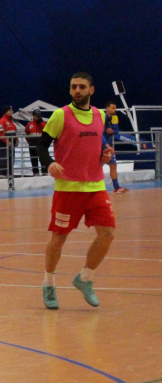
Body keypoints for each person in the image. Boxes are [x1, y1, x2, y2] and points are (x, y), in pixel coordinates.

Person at [36, 72, 115, 310]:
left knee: (107, 234)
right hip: (68, 188)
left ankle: (84, 278)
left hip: (95, 186)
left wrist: (103, 156)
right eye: (73, 87)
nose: (77, 90)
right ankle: (48, 283)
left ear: (91, 90)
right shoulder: (61, 115)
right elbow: (41, 145)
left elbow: (95, 146)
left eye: (81, 87)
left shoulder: (100, 115)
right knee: (58, 239)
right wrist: (49, 162)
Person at [104, 100, 129, 193]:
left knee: (113, 165)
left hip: (109, 146)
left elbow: (117, 131)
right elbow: (100, 134)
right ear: (107, 108)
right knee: (97, 167)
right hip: (101, 145)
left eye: (115, 108)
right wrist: (106, 145)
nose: (115, 109)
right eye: (112, 108)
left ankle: (116, 187)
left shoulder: (115, 118)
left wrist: (112, 131)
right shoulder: (103, 118)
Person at [0, 105, 19, 178]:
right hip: (4, 144)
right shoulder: (2, 121)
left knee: (11, 159)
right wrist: (6, 141)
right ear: (6, 112)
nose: (12, 112)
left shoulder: (11, 122)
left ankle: (10, 174)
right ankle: (2, 174)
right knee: (4, 158)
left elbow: (14, 132)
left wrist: (17, 139)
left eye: (12, 110)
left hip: (11, 145)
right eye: (10, 111)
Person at [25, 109, 48, 176]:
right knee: (34, 159)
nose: (38, 117)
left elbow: (47, 130)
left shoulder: (44, 124)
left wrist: (41, 123)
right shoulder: (29, 124)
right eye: (36, 116)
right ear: (33, 116)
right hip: (32, 144)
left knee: (43, 158)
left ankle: (44, 172)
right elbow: (26, 134)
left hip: (41, 144)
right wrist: (30, 142)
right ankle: (35, 173)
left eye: (39, 115)